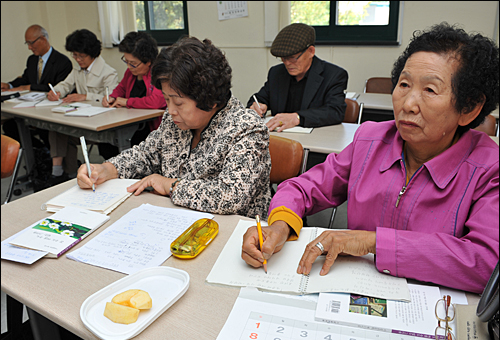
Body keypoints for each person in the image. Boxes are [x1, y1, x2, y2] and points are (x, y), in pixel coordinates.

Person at [241, 22, 499, 294]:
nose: (408, 104)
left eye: (430, 90)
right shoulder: (370, 142)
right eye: (404, 84)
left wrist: (373, 243)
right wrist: (280, 225)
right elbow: (301, 187)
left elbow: (486, 264)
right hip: (351, 290)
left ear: (469, 108)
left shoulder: (488, 170)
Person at [77, 36, 272, 219]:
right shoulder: (175, 121)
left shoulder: (247, 129)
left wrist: (169, 185)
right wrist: (106, 169)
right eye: (166, 99)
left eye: (178, 103)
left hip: (234, 234)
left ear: (210, 100)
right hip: (175, 220)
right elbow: (146, 154)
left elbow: (230, 196)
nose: (170, 110)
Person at [45, 29, 119, 185]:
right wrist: (56, 91)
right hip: (80, 119)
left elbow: (112, 97)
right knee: (57, 128)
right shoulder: (77, 69)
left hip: (100, 124)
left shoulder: (108, 73)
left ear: (93, 54)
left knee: (62, 131)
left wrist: (86, 97)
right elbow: (66, 84)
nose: (77, 59)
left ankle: (68, 172)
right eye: (75, 55)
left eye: (81, 56)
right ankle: (61, 173)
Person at [248, 23, 348, 133]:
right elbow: (258, 98)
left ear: (311, 51)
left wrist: (297, 118)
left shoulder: (333, 75)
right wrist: (256, 107)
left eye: (293, 58)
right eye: (283, 58)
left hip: (315, 139)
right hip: (279, 138)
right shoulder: (277, 73)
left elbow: (335, 112)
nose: (287, 63)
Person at [1, 24, 72, 148]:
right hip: (31, 108)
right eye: (27, 43)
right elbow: (25, 79)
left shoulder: (62, 62)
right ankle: (39, 152)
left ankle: (46, 156)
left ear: (43, 39)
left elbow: (57, 88)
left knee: (45, 129)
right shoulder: (32, 60)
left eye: (31, 43)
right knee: (10, 126)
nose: (29, 47)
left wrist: (30, 87)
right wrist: (9, 85)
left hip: (50, 110)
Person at [98, 31, 166, 160]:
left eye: (133, 63)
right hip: (131, 122)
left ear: (148, 62)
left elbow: (157, 101)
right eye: (127, 61)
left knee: (126, 143)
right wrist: (111, 97)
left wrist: (127, 102)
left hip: (151, 127)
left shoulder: (158, 73)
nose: (129, 67)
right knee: (106, 142)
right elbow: (121, 88)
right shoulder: (130, 73)